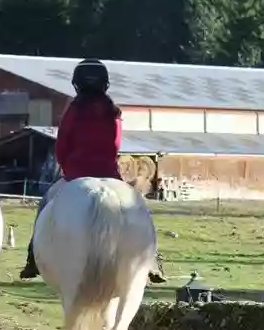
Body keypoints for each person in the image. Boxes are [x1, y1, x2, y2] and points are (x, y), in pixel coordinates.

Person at [18, 58, 166, 284]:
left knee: (45, 204)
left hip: (76, 174)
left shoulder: (73, 111)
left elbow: (62, 145)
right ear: (105, 84)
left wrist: (68, 167)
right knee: (141, 209)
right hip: (109, 174)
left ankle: (33, 258)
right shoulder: (113, 112)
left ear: (76, 84)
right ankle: (153, 260)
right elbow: (116, 145)